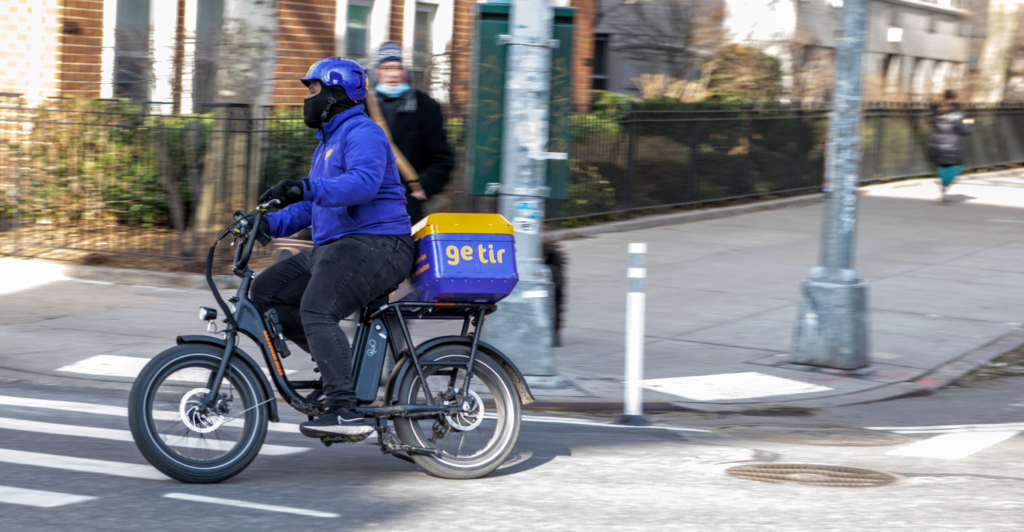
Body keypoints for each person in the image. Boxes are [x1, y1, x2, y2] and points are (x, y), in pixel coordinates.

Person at [252, 57, 415, 440]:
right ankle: (337, 371)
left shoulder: (363, 132)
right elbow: (314, 204)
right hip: (337, 245)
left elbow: (362, 185)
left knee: (318, 308)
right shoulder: (327, 142)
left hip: (379, 243)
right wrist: (266, 223)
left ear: (337, 92)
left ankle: (344, 410)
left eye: (313, 89)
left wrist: (305, 187)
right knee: (265, 295)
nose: (308, 98)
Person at [371, 42, 454, 223]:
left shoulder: (426, 106)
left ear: (405, 71)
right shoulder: (362, 107)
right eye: (386, 67)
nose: (393, 73)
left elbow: (442, 157)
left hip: (407, 204)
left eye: (398, 67)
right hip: (366, 200)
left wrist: (425, 187)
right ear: (377, 71)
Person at [929, 89, 974, 203]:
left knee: (943, 167)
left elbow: (932, 122)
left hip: (938, 146)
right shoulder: (960, 114)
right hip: (952, 146)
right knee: (956, 169)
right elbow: (966, 131)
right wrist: (970, 122)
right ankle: (945, 186)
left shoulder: (937, 112)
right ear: (956, 98)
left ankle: (943, 186)